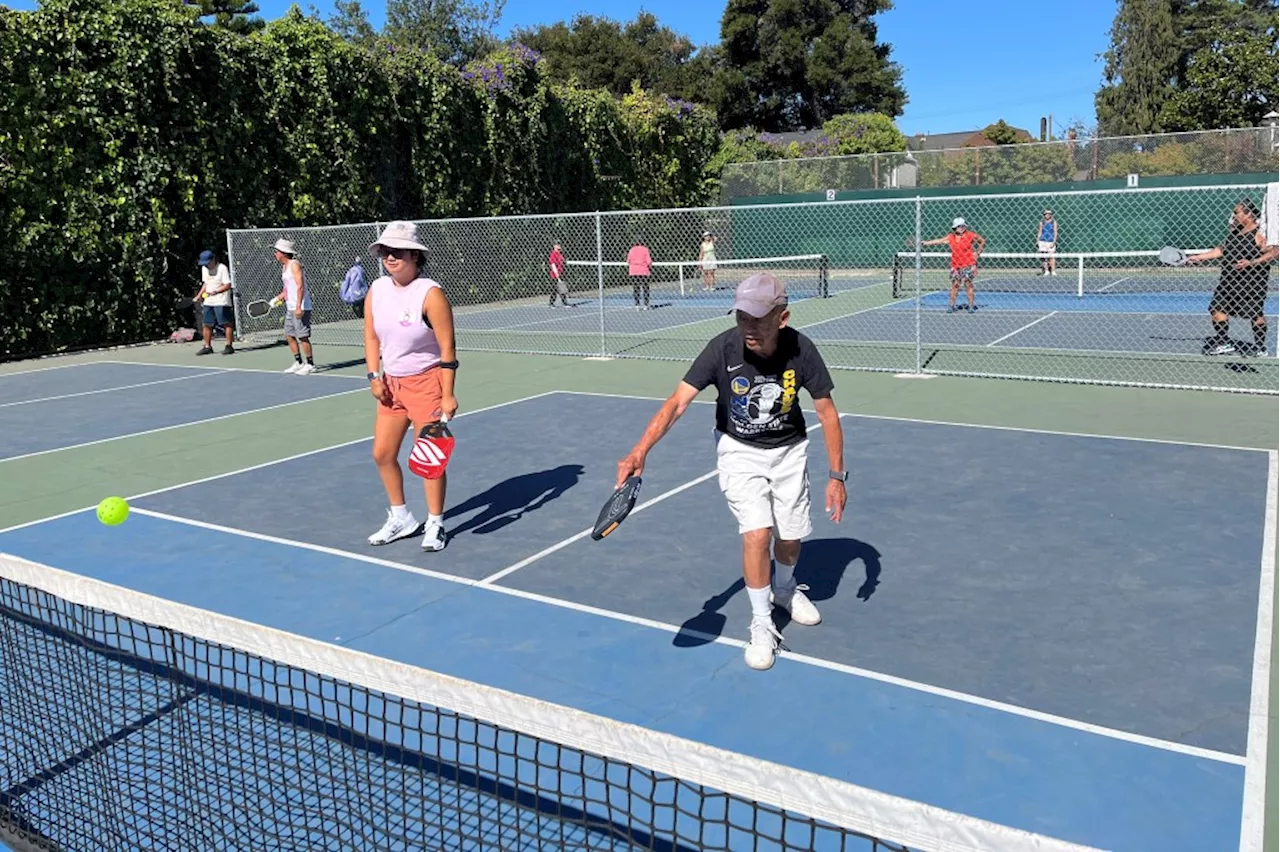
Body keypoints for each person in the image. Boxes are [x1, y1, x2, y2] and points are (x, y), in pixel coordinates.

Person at [615, 273, 847, 672]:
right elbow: (677, 402)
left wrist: (837, 477)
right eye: (742, 317)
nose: (749, 327)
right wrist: (640, 449)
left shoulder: (802, 350)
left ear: (782, 317)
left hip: (790, 450)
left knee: (789, 536)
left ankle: (785, 590)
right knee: (757, 534)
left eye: (758, 318)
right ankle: (761, 623)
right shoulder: (722, 348)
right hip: (739, 450)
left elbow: (826, 413)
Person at [363, 221, 459, 552]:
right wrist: (374, 377)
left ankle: (435, 523)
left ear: (415, 255)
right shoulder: (376, 290)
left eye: (397, 252)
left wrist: (447, 394)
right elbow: (371, 337)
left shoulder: (431, 294)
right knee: (382, 454)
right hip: (390, 386)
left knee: (430, 458)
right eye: (385, 251)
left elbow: (448, 351)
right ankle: (401, 517)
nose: (390, 257)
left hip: (427, 384)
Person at [1186, 199, 1279, 357]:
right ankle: (1223, 343)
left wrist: (1252, 262)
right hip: (1228, 281)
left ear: (1248, 214)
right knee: (1216, 309)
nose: (1233, 216)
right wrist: (1198, 257)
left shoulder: (1258, 234)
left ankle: (1260, 347)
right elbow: (1220, 250)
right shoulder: (1234, 233)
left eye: (1237, 213)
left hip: (1251, 283)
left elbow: (1275, 252)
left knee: (1255, 313)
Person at [921, 217, 985, 312]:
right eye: (959, 226)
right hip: (956, 266)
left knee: (968, 285)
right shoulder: (950, 237)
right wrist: (925, 243)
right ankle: (951, 306)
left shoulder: (970, 235)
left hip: (968, 264)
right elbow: (939, 241)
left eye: (963, 226)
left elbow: (982, 241)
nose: (961, 228)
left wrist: (978, 252)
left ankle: (971, 306)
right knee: (955, 285)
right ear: (955, 227)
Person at [272, 238, 315, 374]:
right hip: (290, 306)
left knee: (302, 336)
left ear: (284, 253)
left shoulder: (295, 265)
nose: (275, 254)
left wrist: (298, 306)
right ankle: (299, 362)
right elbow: (287, 288)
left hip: (300, 306)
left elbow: (300, 286)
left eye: (277, 251)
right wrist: (278, 298)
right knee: (289, 335)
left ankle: (310, 364)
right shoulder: (284, 267)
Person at [195, 249, 234, 355]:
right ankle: (207, 347)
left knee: (226, 323)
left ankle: (229, 346)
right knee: (206, 324)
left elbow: (227, 285)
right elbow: (206, 284)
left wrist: (216, 292)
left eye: (208, 263)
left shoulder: (222, 268)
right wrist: (199, 296)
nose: (206, 265)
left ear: (213, 259)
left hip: (222, 301)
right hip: (208, 302)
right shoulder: (204, 269)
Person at [627, 239, 652, 310]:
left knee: (636, 288)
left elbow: (628, 260)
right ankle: (646, 305)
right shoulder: (645, 249)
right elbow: (649, 261)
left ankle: (637, 304)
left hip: (634, 272)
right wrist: (650, 268)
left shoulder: (632, 250)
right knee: (645, 288)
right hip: (643, 271)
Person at [1036, 210, 1059, 276]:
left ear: (1051, 215)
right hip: (1043, 241)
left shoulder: (1054, 222)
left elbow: (1055, 232)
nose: (1047, 215)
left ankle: (1053, 271)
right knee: (1044, 257)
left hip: (1050, 241)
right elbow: (1040, 232)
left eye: (1049, 214)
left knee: (1052, 257)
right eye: (1046, 214)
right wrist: (1038, 240)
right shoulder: (1042, 222)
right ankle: (1046, 271)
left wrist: (1054, 241)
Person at [548, 243, 569, 307]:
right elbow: (553, 265)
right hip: (554, 275)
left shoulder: (561, 254)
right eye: (557, 245)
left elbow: (563, 262)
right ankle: (551, 303)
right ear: (554, 246)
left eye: (559, 245)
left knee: (562, 289)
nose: (559, 246)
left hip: (561, 273)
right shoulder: (553, 254)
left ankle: (564, 302)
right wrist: (557, 274)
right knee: (554, 289)